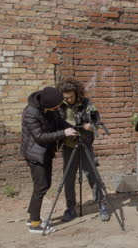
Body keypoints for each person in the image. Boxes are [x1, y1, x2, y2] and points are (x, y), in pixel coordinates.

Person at [22, 86, 78, 233]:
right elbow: (39, 137)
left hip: (46, 152)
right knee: (41, 187)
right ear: (48, 105)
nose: (59, 107)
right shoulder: (30, 113)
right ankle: (34, 224)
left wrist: (74, 128)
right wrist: (64, 133)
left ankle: (33, 217)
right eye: (57, 106)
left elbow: (60, 123)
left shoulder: (51, 108)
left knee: (44, 185)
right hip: (35, 154)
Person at [56, 78, 110, 222]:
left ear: (76, 93)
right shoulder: (60, 105)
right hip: (68, 146)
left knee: (93, 175)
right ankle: (70, 208)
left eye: (71, 96)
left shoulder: (86, 103)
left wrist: (91, 126)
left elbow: (96, 120)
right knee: (68, 179)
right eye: (65, 97)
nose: (69, 99)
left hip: (85, 144)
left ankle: (102, 205)